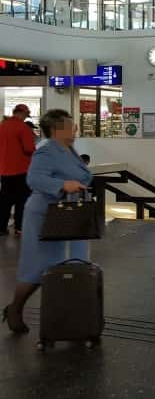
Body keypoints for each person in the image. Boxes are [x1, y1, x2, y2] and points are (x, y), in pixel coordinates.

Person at [3, 109, 92, 333]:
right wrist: (63, 185)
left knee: (71, 266)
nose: (75, 129)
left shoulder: (68, 149)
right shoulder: (46, 150)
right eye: (71, 126)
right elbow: (34, 178)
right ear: (56, 129)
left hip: (67, 215)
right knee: (38, 268)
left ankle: (71, 319)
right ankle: (15, 308)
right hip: (45, 215)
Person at [0, 104, 36, 236]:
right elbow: (29, 149)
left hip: (4, 170)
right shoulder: (23, 128)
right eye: (26, 115)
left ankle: (2, 228)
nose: (26, 117)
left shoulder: (2, 126)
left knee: (5, 200)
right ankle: (20, 228)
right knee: (22, 200)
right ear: (22, 113)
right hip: (21, 170)